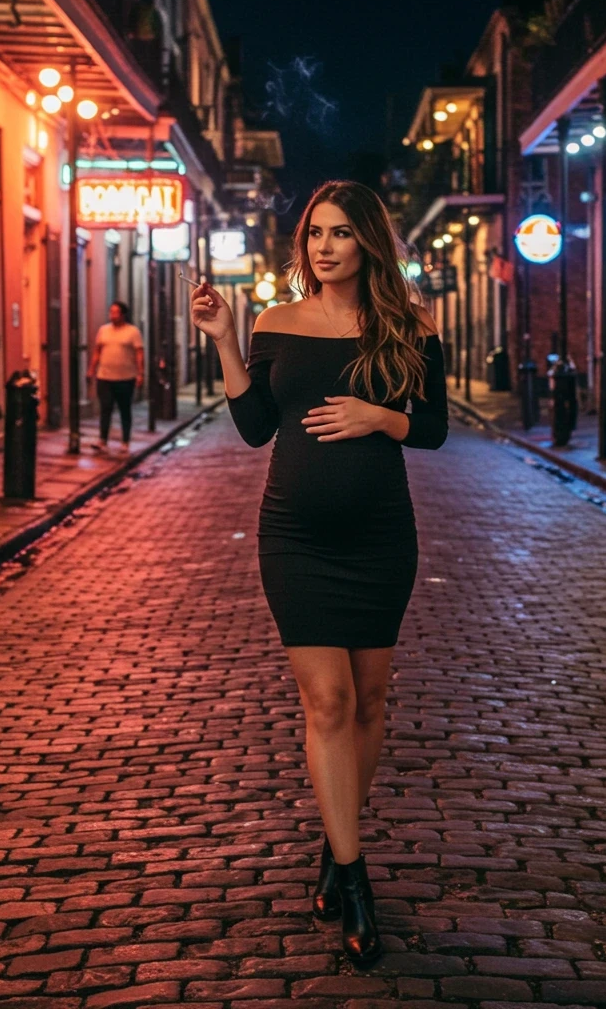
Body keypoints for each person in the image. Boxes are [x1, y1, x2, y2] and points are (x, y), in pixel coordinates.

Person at [190, 180, 447, 968]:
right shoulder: (278, 323)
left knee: (370, 701)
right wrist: (227, 340)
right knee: (329, 701)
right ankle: (358, 880)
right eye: (314, 234)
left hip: (380, 537)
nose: (324, 247)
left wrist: (378, 416)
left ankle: (335, 850)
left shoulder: (408, 327)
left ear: (368, 241)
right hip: (295, 537)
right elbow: (254, 427)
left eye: (339, 233)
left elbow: (432, 430)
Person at [86, 301, 144, 454]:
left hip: (126, 378)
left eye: (115, 312)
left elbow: (139, 353)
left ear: (123, 314)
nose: (112, 315)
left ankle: (125, 441)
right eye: (110, 312)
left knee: (125, 409)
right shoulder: (103, 330)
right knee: (105, 408)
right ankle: (102, 440)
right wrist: (91, 369)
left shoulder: (133, 332)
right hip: (104, 377)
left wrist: (140, 373)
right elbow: (97, 351)